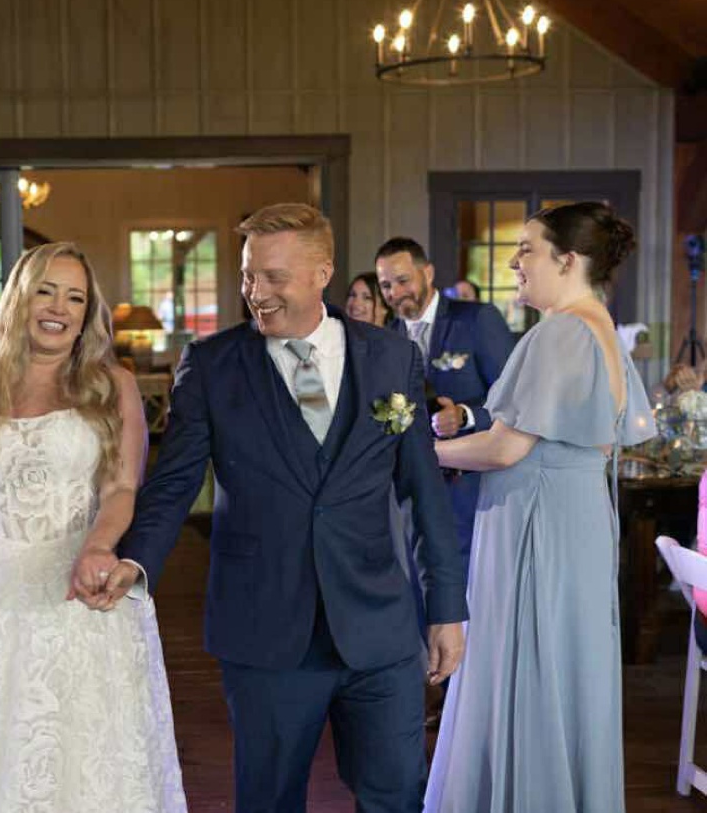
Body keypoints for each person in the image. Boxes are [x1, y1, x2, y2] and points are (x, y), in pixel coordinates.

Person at [100, 204, 467, 812]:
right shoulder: (213, 365)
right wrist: (134, 563)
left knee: (398, 793)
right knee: (269, 801)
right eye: (249, 276)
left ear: (322, 272)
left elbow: (426, 491)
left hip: (380, 628)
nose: (255, 293)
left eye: (273, 277)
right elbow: (174, 484)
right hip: (264, 630)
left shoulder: (391, 358)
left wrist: (447, 608)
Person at [0, 242, 185, 811]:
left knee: (82, 758)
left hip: (79, 592)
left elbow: (121, 489)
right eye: (46, 290)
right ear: (19, 298)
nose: (59, 307)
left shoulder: (112, 384)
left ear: (87, 312)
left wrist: (98, 547)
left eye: (75, 297)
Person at [423, 203, 656, 813]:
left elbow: (505, 447)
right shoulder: (598, 324)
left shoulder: (559, 331)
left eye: (527, 249)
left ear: (568, 260)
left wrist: (421, 450)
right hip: (573, 519)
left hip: (538, 525)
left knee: (529, 669)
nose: (514, 261)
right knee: (562, 668)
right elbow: (594, 441)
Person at [375, 238, 515, 571]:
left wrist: (465, 416)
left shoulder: (476, 320)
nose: (395, 292)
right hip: (410, 495)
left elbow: (513, 401)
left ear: (428, 273)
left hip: (470, 491)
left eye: (403, 280)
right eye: (385, 285)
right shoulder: (386, 336)